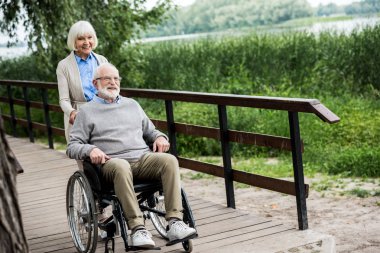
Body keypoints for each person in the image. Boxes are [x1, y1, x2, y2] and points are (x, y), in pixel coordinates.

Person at [66, 63, 197, 248]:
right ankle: (138, 229)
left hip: (142, 159)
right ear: (95, 84)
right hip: (111, 163)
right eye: (107, 79)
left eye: (116, 78)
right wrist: (89, 150)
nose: (113, 82)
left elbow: (151, 131)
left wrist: (160, 137)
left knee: (169, 160)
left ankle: (175, 222)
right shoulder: (86, 112)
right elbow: (72, 146)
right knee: (121, 166)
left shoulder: (132, 105)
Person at [56, 20, 108, 143]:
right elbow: (64, 100)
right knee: (83, 157)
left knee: (107, 156)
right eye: (81, 39)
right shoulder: (63, 66)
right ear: (73, 41)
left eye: (89, 37)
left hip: (103, 114)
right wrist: (71, 112)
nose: (86, 42)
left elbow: (111, 89)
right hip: (79, 116)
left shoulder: (102, 60)